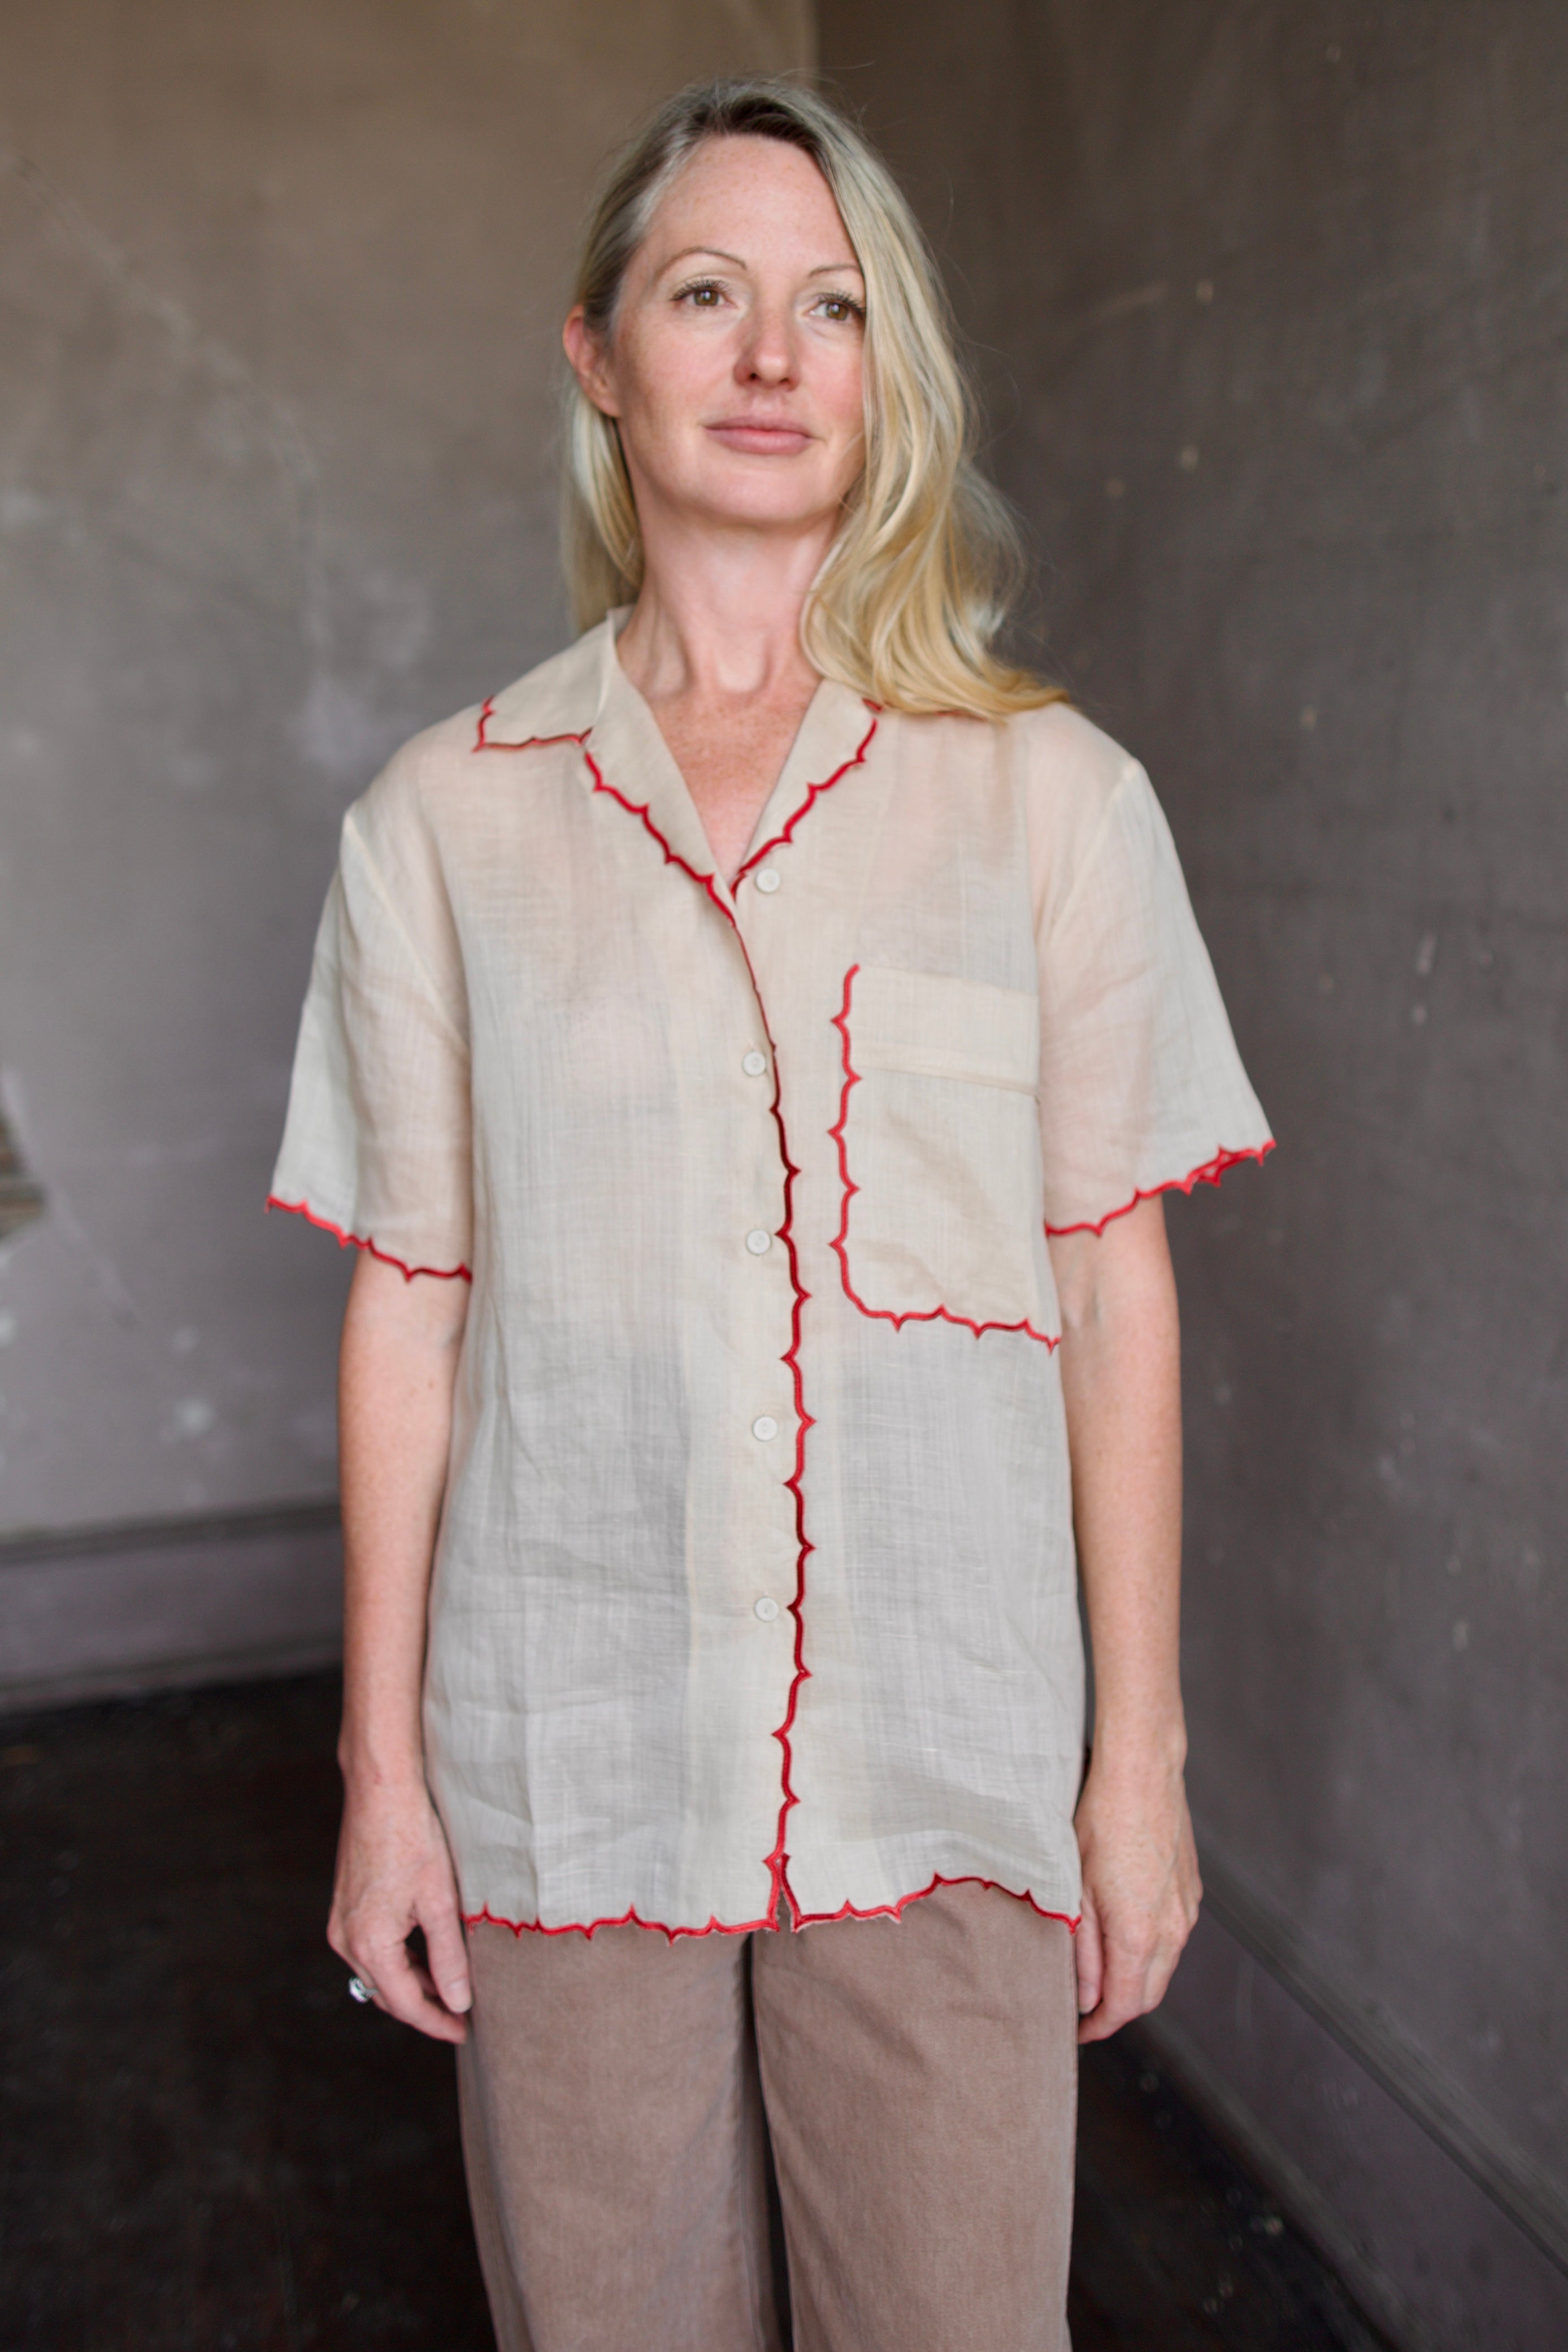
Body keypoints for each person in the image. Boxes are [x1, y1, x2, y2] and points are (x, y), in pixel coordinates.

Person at [269, 76, 1272, 2352]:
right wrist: (384, 1783)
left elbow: (1112, 1298)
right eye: (703, 294)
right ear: (597, 356)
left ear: (882, 371)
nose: (768, 354)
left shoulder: (1050, 803)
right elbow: (410, 1309)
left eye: (829, 307)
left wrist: (1137, 1770)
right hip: (568, 1766)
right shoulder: (442, 823)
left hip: (944, 1773)